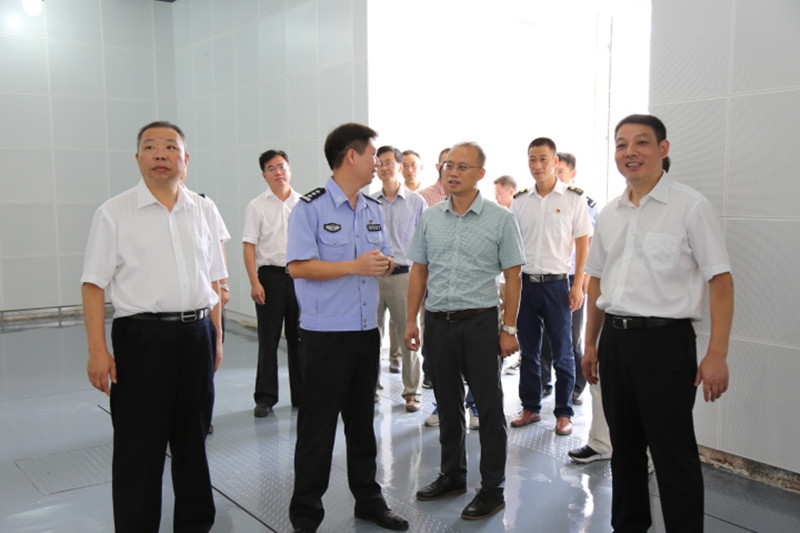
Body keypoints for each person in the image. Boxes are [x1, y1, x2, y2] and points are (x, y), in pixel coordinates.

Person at [583, 114, 734, 532]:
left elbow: (720, 281)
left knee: (672, 453)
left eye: (641, 143)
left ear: (662, 149)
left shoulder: (690, 207)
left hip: (665, 345)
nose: (630, 152)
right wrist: (590, 343)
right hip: (615, 342)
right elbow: (596, 280)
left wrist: (716, 354)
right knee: (624, 450)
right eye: (621, 144)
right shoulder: (610, 213)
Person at [82, 121, 226, 532]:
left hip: (197, 336)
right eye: (150, 146)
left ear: (186, 158)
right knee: (139, 447)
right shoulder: (114, 213)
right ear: (138, 158)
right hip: (142, 339)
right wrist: (97, 351)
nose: (160, 153)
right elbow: (93, 285)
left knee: (193, 442)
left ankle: (195, 525)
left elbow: (214, 280)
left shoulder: (204, 210)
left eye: (169, 146)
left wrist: (216, 338)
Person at [287, 123, 409, 533]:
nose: (378, 163)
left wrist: (383, 264)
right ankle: (306, 515)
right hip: (325, 336)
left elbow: (386, 257)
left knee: (362, 425)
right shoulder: (310, 208)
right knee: (317, 430)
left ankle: (369, 501)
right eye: (373, 155)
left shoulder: (373, 209)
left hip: (364, 333)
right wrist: (353, 266)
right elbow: (298, 267)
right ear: (351, 156)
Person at [406, 142, 525, 521]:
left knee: (488, 408)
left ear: (480, 174)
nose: (452, 172)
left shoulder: (500, 219)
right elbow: (419, 270)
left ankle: (492, 490)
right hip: (438, 323)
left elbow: (514, 276)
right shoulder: (430, 217)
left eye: (462, 167)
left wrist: (509, 328)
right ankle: (452, 475)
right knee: (447, 404)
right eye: (448, 166)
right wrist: (411, 320)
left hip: (480, 324)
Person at [510, 138, 592, 436]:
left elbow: (583, 243)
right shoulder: (520, 200)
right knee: (529, 351)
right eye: (532, 159)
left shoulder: (573, 198)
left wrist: (578, 284)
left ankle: (564, 413)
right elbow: (512, 245)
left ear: (555, 161)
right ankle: (530, 407)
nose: (537, 165)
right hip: (526, 285)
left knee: (563, 351)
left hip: (558, 285)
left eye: (543, 159)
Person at [242, 149, 303, 417]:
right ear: (264, 175)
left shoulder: (304, 204)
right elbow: (249, 245)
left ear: (290, 169)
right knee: (268, 339)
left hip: (300, 277)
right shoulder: (256, 206)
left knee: (300, 338)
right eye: (271, 168)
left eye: (282, 166)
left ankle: (301, 394)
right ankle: (265, 398)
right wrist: (254, 282)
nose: (278, 172)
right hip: (269, 278)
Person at [539, 152, 597, 404]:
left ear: (573, 174)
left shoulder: (583, 202)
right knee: (543, 338)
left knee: (570, 338)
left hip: (573, 278)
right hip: (546, 277)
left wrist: (583, 281)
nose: (556, 176)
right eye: (554, 171)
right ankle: (543, 383)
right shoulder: (540, 200)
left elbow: (591, 244)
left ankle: (575, 385)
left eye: (561, 171)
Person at [373, 145, 426, 412]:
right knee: (371, 336)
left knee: (409, 335)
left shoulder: (416, 202)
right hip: (373, 277)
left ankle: (412, 392)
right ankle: (371, 388)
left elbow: (425, 243)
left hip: (406, 277)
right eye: (380, 163)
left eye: (389, 162)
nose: (384, 167)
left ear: (400, 167)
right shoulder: (369, 202)